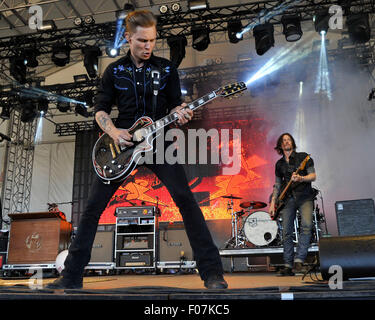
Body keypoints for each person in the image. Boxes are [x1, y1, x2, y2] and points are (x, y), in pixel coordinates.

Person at [47, 10, 227, 290]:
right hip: (123, 146)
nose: (148, 46)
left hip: (159, 144)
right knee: (92, 208)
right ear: (129, 37)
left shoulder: (167, 69)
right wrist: (113, 131)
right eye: (142, 41)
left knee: (186, 201)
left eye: (153, 41)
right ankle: (70, 277)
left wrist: (181, 113)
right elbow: (101, 111)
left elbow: (174, 107)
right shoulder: (114, 71)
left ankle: (213, 273)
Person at [269, 133, 316, 276]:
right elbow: (277, 185)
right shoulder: (279, 164)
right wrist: (272, 203)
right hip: (288, 199)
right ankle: (288, 265)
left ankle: (299, 261)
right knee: (286, 232)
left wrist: (301, 178)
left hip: (305, 197)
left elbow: (313, 176)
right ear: (280, 145)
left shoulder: (304, 157)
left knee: (307, 226)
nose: (286, 142)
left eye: (288, 139)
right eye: (283, 140)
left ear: (292, 143)